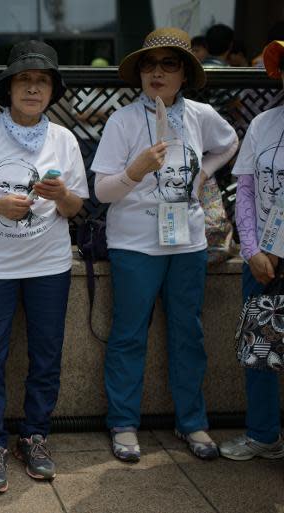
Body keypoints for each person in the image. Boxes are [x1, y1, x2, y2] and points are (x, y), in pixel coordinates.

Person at [91, 27, 238, 463]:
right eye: (149, 65)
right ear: (139, 73)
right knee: (128, 335)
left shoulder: (200, 115)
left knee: (188, 334)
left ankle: (192, 421)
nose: (157, 73)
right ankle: (123, 423)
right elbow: (100, 193)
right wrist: (135, 171)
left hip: (188, 242)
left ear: (184, 73)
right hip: (134, 244)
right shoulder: (122, 121)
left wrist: (203, 174)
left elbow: (229, 143)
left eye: (168, 65)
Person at [0, 40, 88, 492]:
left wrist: (61, 196)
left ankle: (35, 436)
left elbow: (75, 208)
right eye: (24, 80)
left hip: (48, 262)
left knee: (46, 355)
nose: (33, 88)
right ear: (8, 88)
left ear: (52, 91)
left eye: (42, 81)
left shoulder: (63, 139)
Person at [220, 40, 284, 461]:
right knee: (261, 351)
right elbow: (244, 190)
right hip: (263, 262)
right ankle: (263, 434)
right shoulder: (263, 123)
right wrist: (253, 247)